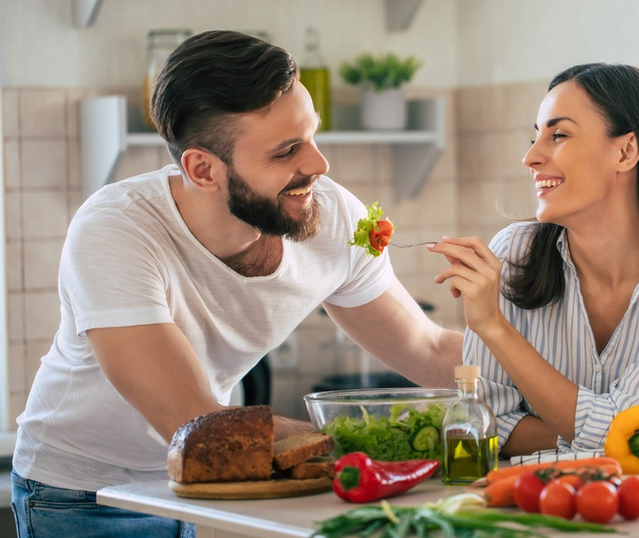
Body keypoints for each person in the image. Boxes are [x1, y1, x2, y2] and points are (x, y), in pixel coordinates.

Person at [11, 30, 462, 538]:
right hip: (84, 494)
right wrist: (376, 439)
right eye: (286, 151)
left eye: (312, 136)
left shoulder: (331, 215)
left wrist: (531, 373)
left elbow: (427, 349)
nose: (318, 164)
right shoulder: (117, 229)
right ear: (203, 169)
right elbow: (193, 420)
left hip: (206, 483)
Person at [430, 63, 639, 460]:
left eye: (558, 135)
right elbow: (487, 424)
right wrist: (599, 436)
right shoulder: (512, 255)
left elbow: (626, 431)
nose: (530, 157)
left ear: (626, 151)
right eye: (535, 137)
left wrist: (494, 327)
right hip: (538, 496)